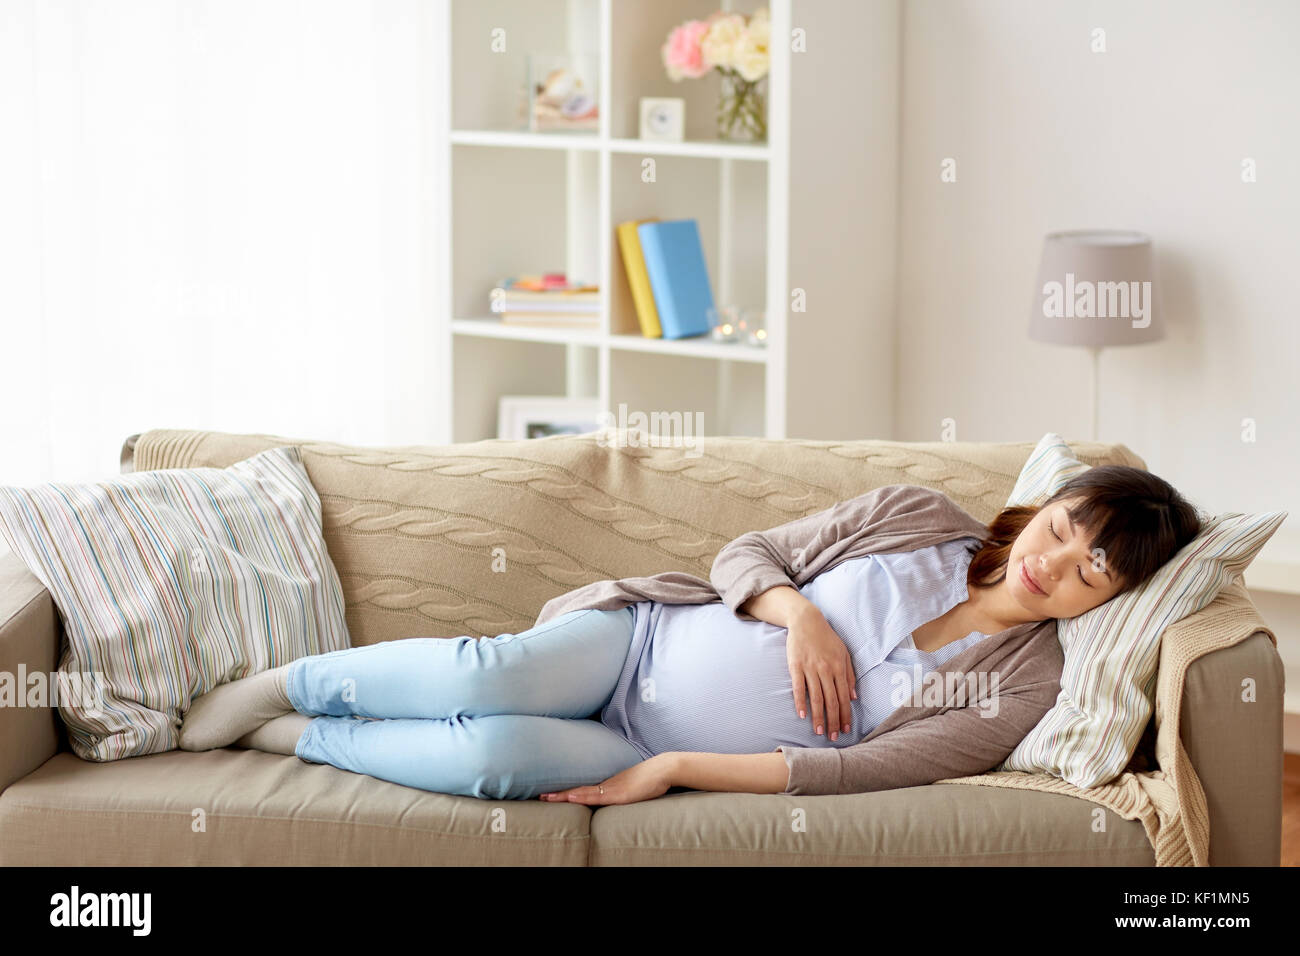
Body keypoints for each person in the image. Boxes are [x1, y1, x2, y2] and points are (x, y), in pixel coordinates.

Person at [177, 465, 1201, 805]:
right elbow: (742, 553)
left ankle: (298, 735)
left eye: (1091, 570)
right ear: (1048, 502)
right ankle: (282, 682)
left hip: (643, 738)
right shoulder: (916, 514)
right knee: (488, 671)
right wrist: (798, 612)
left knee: (494, 756)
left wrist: (667, 765)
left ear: (1105, 598)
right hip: (643, 642)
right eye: (1064, 526)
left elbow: (860, 769)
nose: (1052, 562)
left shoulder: (1023, 686)